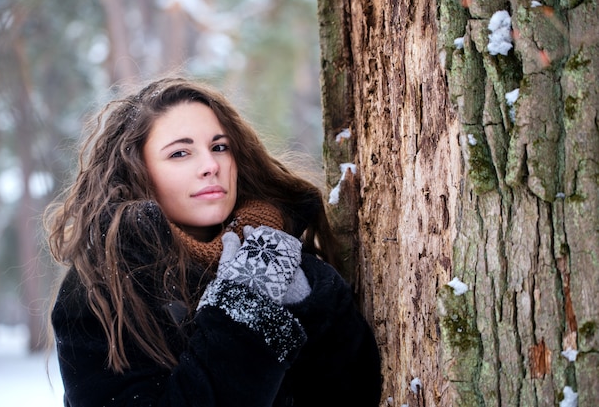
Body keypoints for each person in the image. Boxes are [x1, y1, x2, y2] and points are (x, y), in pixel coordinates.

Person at [44, 76, 382, 407]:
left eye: (219, 147)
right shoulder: (103, 289)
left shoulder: (284, 257)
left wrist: (307, 304)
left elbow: (354, 393)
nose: (210, 165)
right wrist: (246, 308)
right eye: (180, 153)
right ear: (137, 171)